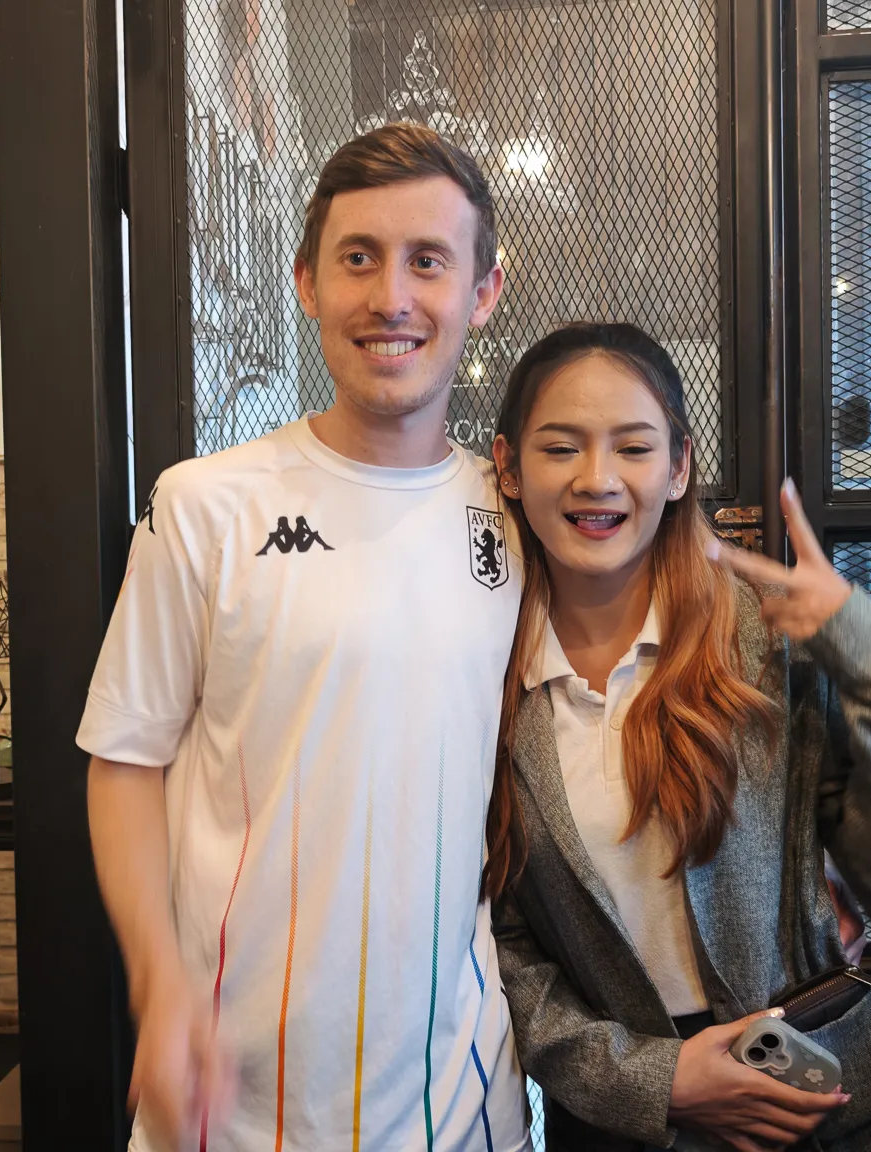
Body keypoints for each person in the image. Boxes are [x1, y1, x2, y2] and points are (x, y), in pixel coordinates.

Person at [80, 123, 530, 1152]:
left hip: (459, 1096)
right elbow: (124, 761)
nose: (391, 297)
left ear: (483, 292)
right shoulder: (203, 506)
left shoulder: (515, 516)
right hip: (232, 1099)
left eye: (428, 261)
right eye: (358, 258)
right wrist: (157, 982)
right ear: (307, 283)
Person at [485, 323, 871, 1152]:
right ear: (509, 467)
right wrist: (658, 1081)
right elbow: (499, 951)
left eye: (634, 447)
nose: (597, 479)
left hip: (824, 1112)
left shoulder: (765, 646)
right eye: (560, 448)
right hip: (623, 1131)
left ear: (678, 469)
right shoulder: (479, 675)